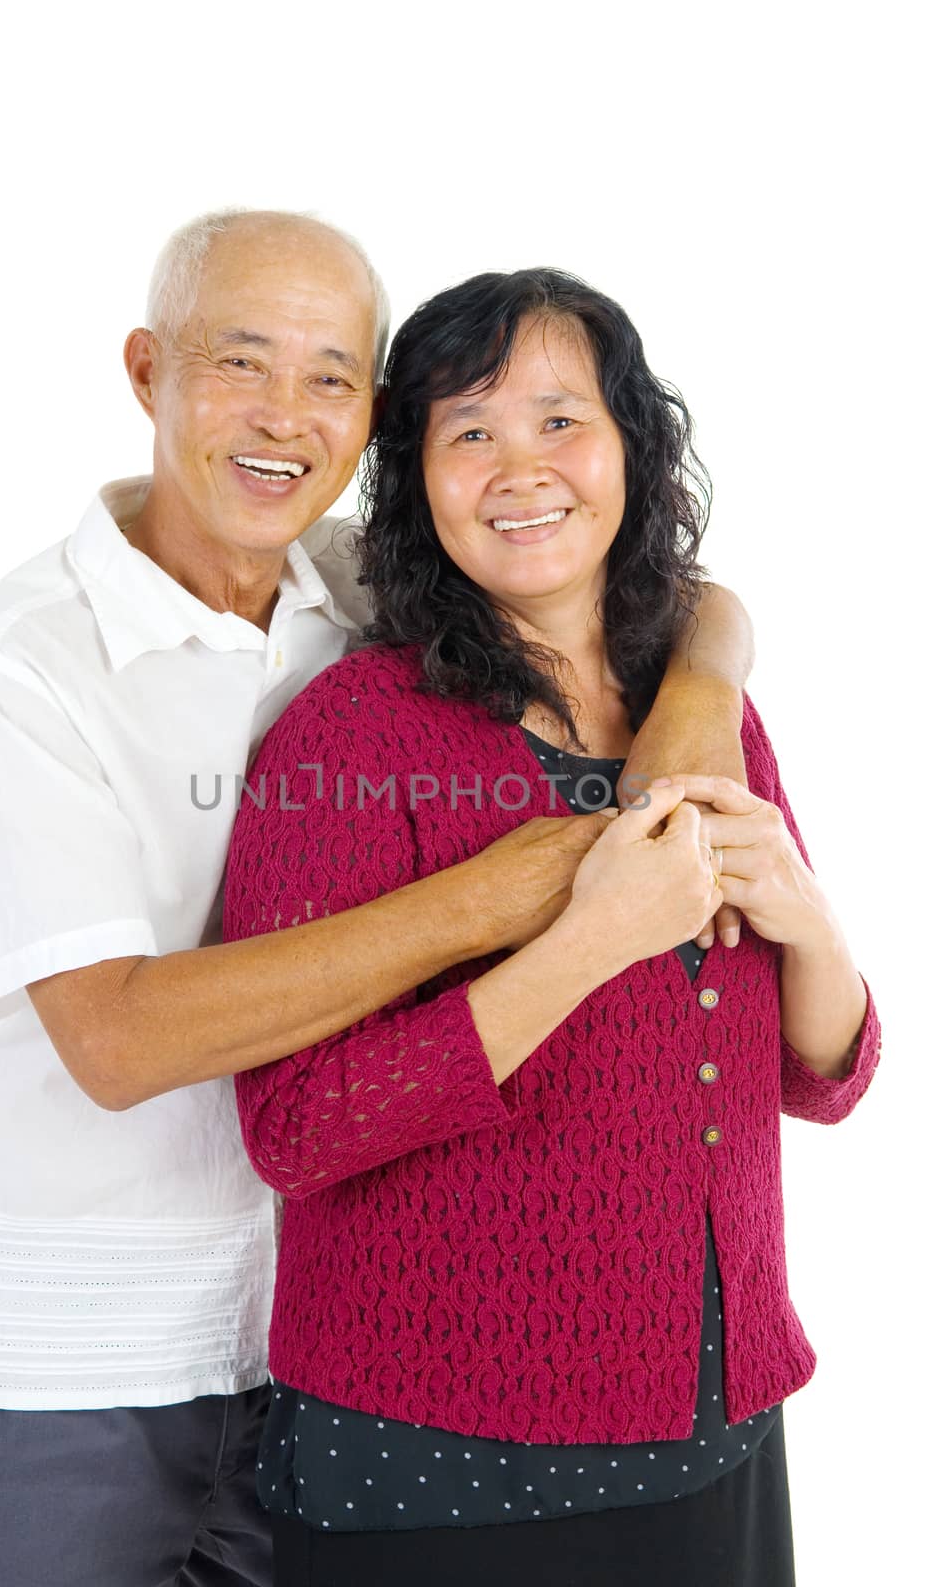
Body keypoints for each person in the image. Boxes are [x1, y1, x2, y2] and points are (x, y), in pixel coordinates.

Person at [0, 218, 756, 1587]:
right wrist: (501, 902)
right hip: (64, 1360)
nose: (284, 417)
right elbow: (116, 1043)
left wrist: (703, 696)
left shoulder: (347, 583)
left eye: (334, 378)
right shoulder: (20, 665)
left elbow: (632, 571)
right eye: (242, 363)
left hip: (304, 1348)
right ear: (145, 371)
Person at [223, 268, 881, 1587]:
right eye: (469, 432)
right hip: (437, 1471)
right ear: (418, 480)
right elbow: (293, 1129)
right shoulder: (351, 735)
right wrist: (585, 941)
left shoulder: (711, 716)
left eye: (558, 420)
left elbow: (820, 1077)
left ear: (633, 444)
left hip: (718, 1433)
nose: (519, 467)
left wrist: (810, 921)